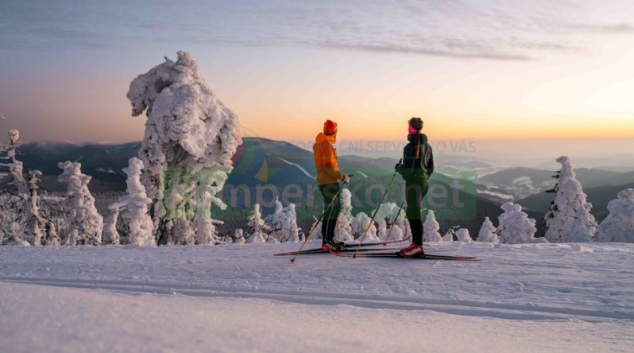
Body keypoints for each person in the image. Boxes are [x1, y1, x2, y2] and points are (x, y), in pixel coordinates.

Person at [395, 117, 435, 257]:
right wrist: (422, 176)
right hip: (423, 183)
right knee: (413, 212)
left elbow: (408, 171)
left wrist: (400, 169)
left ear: (410, 128)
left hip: (413, 184)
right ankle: (416, 244)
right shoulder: (428, 146)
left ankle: (417, 246)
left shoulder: (410, 147)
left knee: (413, 213)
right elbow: (431, 168)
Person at [313, 120, 350, 251]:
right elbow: (329, 167)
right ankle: (327, 241)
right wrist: (342, 176)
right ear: (334, 132)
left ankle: (330, 238)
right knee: (331, 211)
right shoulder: (327, 145)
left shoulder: (320, 144)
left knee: (334, 209)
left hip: (325, 182)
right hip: (329, 183)